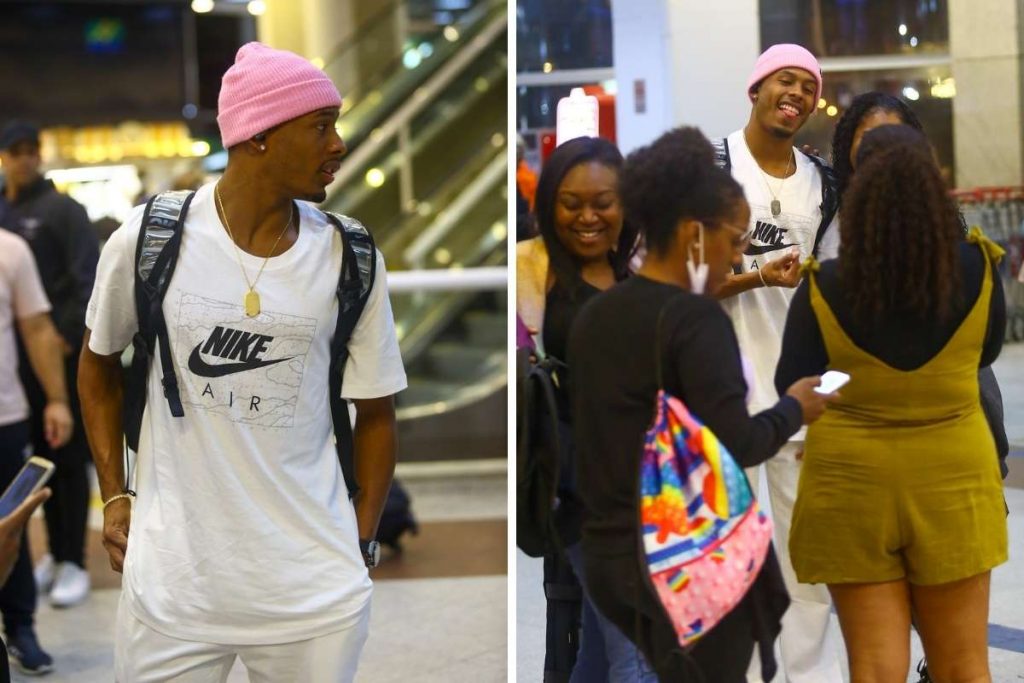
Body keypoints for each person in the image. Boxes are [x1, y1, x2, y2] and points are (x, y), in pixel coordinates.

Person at [78, 42, 406, 682]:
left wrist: (359, 545)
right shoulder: (148, 240)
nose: (337, 144)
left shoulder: (348, 256)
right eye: (320, 126)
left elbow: (376, 413)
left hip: (312, 594)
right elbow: (97, 367)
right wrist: (114, 494)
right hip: (174, 588)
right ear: (256, 135)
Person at [569, 127, 834, 683]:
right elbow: (737, 444)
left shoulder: (596, 314)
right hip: (682, 560)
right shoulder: (696, 322)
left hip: (609, 555)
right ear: (694, 235)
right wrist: (794, 408)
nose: (737, 256)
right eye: (734, 240)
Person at [777, 124, 1007, 683]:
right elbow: (985, 351)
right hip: (955, 479)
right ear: (934, 188)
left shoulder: (825, 285)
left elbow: (799, 381)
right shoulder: (979, 270)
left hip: (851, 484)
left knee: (876, 668)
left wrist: (849, 380)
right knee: (964, 665)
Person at [712, 44, 844, 683]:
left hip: (797, 399)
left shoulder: (824, 182)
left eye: (808, 87)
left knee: (804, 562)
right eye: (783, 81)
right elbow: (678, 285)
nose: (796, 94)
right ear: (756, 88)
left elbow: (838, 285)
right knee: (726, 557)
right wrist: (755, 277)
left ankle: (810, 674)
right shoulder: (712, 170)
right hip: (721, 401)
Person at [517, 135, 644, 681]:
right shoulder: (532, 273)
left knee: (597, 650)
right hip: (582, 494)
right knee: (637, 658)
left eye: (603, 202)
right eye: (572, 203)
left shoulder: (633, 270)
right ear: (549, 204)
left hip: (644, 490)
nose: (587, 216)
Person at [0, 120, 100, 609]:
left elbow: (88, 282)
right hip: (14, 371)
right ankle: (43, 558)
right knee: (29, 468)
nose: (24, 158)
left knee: (66, 462)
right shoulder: (4, 211)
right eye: (14, 151)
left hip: (56, 360)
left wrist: (61, 339)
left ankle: (73, 560)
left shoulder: (63, 210)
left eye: (30, 150)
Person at [0, 227, 74, 674]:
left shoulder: (10, 249)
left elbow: (37, 327)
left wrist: (58, 399)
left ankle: (20, 625)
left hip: (4, 416)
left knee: (11, 525)